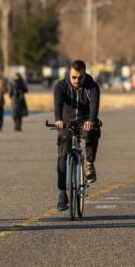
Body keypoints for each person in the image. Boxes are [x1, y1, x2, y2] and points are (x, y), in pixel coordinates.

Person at [53, 60, 101, 211]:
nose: (77, 81)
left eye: (80, 77)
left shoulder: (92, 86)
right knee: (62, 155)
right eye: (74, 77)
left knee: (93, 131)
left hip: (85, 121)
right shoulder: (60, 86)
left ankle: (89, 163)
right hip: (67, 123)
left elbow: (94, 106)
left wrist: (91, 120)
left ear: (85, 74)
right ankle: (62, 193)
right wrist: (58, 120)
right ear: (69, 74)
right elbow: (58, 105)